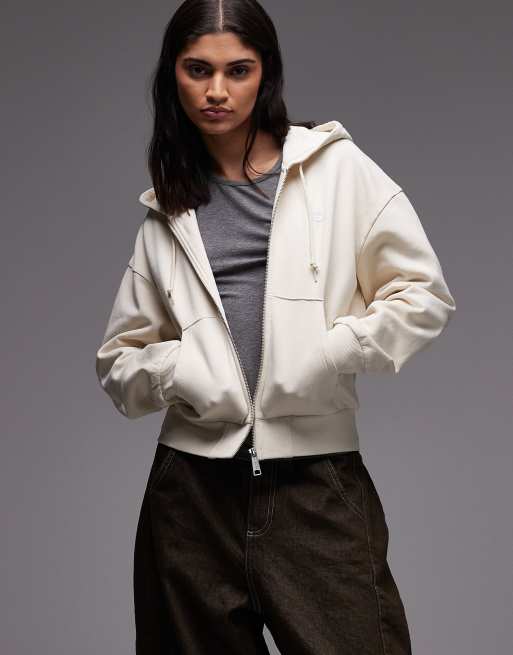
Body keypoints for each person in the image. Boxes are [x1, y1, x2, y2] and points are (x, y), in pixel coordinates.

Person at [95, 1, 456, 653]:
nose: (216, 90)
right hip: (190, 495)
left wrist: (329, 351)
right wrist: (181, 371)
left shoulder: (335, 170)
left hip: (316, 484)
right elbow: (119, 362)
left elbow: (422, 295)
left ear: (266, 74)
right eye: (197, 69)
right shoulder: (169, 209)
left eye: (238, 70)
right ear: (172, 75)